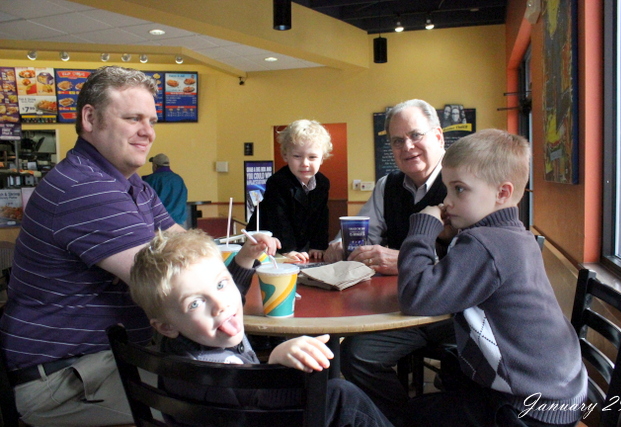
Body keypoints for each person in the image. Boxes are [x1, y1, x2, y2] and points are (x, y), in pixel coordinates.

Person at [0, 66, 185, 427]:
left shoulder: (135, 186)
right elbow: (171, 283)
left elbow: (189, 250)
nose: (148, 132)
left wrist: (239, 257)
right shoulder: (85, 187)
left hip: (110, 359)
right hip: (63, 380)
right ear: (89, 118)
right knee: (209, 406)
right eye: (133, 118)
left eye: (151, 121)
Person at [398, 129, 587, 426]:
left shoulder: (484, 244)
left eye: (459, 189)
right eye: (447, 189)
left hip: (525, 410)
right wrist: (447, 239)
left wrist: (422, 229)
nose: (447, 201)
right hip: (560, 392)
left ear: (502, 193)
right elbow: (459, 282)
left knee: (411, 415)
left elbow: (414, 296)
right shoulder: (514, 235)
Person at [128, 229, 393, 427]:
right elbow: (259, 409)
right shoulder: (218, 375)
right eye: (195, 303)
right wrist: (273, 367)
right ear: (165, 326)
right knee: (340, 396)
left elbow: (230, 292)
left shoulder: (178, 344)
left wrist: (245, 258)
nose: (221, 305)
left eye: (221, 284)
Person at [325, 99, 455, 425]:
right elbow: (360, 232)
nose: (407, 146)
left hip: (456, 312)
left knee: (464, 372)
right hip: (401, 310)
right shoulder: (388, 186)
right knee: (355, 356)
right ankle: (399, 420)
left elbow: (476, 263)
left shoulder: (463, 182)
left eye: (415, 135)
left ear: (438, 136)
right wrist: (339, 245)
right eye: (397, 141)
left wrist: (408, 260)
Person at [247, 119, 333, 263]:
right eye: (297, 156)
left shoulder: (323, 183)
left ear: (322, 158)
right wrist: (288, 249)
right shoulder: (277, 182)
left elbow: (321, 217)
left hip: (300, 244)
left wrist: (318, 245)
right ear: (285, 156)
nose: (305, 163)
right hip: (268, 244)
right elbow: (278, 219)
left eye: (312, 157)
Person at [143, 153, 189, 227]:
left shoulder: (151, 179)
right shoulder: (178, 179)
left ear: (155, 166)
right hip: (179, 222)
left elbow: (144, 202)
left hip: (160, 224)